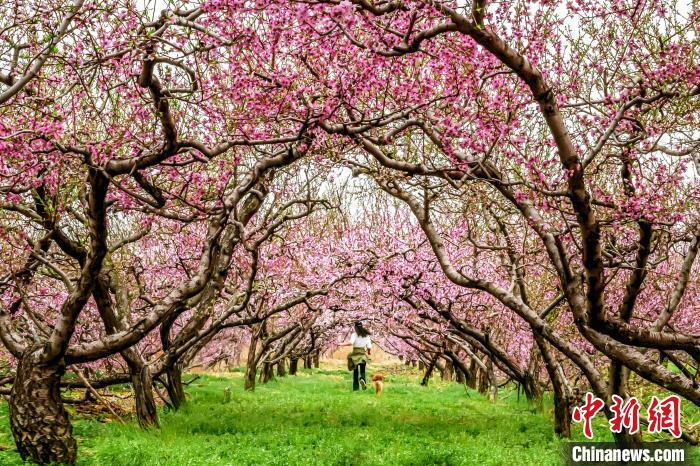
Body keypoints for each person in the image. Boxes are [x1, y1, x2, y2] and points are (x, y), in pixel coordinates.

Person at [344, 321, 372, 391]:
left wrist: (341, 344)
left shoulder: (354, 335)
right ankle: (362, 379)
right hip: (362, 355)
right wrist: (368, 352)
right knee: (363, 370)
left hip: (355, 355)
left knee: (355, 372)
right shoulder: (366, 335)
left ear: (355, 327)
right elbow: (369, 346)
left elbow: (350, 343)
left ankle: (356, 388)